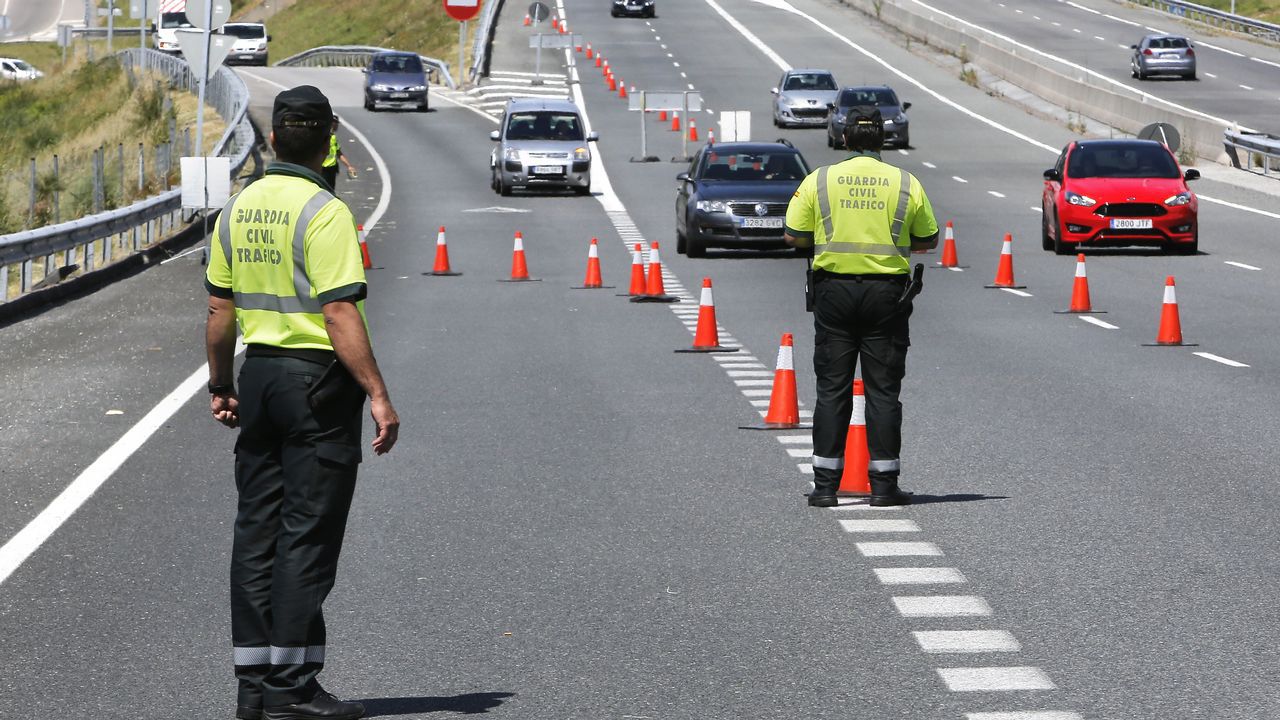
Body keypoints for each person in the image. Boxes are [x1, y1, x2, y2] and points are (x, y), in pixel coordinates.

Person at [205, 85, 400, 720]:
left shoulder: (237, 208)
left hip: (257, 374)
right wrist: (377, 393)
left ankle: (254, 686)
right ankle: (292, 688)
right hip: (315, 381)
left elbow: (218, 310)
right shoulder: (324, 211)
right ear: (328, 142)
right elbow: (339, 309)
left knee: (255, 532)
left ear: (273, 137)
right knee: (306, 536)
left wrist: (220, 384)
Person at [783, 106, 938, 508]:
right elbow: (928, 238)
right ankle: (884, 487)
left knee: (831, 390)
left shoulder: (820, 180)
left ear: (844, 138)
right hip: (886, 297)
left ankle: (824, 487)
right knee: (883, 392)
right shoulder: (905, 182)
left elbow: (793, 235)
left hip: (833, 294)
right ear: (882, 140)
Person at [321, 114, 358, 191]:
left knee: (330, 191)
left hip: (331, 169)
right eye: (336, 123)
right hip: (322, 169)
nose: (337, 125)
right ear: (332, 123)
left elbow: (339, 153)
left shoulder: (333, 137)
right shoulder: (322, 136)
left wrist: (349, 166)